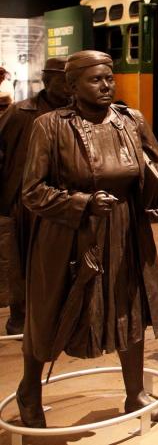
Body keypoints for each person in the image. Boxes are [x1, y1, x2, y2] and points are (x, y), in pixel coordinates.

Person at [16, 50, 158, 427]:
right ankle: (30, 392)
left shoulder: (130, 120)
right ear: (72, 85)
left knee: (129, 308)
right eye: (96, 80)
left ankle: (135, 391)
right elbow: (32, 191)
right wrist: (82, 203)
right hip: (68, 236)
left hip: (126, 229)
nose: (106, 86)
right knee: (50, 312)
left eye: (109, 78)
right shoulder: (50, 127)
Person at [0, 57, 71, 336]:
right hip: (25, 201)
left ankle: (62, 315)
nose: (68, 87)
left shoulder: (77, 112)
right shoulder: (21, 113)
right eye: (63, 80)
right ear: (47, 80)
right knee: (21, 262)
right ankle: (20, 317)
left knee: (60, 260)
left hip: (64, 200)